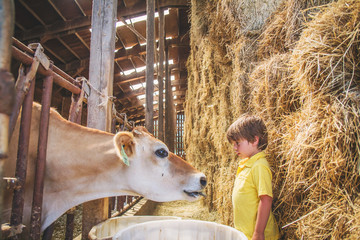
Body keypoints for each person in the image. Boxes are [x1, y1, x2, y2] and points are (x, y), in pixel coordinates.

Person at [226, 114, 279, 240]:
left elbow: (265, 200)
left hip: (260, 236)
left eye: (237, 143)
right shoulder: (246, 164)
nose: (234, 148)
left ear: (255, 140)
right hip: (246, 234)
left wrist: (258, 233)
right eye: (233, 143)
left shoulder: (259, 166)